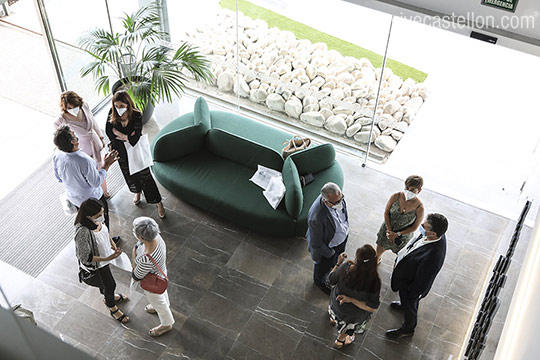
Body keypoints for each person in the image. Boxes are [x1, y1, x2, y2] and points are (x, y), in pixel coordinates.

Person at [386, 213, 448, 339]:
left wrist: (410, 293)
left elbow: (422, 282)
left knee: (410, 305)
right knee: (407, 302)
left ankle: (408, 328)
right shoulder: (433, 235)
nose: (420, 227)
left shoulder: (432, 257)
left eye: (423, 227)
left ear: (433, 234)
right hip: (408, 275)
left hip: (410, 285)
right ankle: (404, 305)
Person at [105, 90, 165, 218]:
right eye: (116, 106)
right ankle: (137, 191)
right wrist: (126, 136)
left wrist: (119, 134)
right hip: (121, 151)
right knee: (129, 174)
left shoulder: (136, 114)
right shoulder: (112, 113)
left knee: (146, 177)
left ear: (127, 104)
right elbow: (109, 132)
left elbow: (135, 138)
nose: (118, 108)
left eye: (121, 106)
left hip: (136, 151)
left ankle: (158, 203)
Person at [74, 198, 129, 323]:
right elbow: (84, 257)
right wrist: (107, 258)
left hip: (105, 259)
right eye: (98, 215)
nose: (102, 216)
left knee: (107, 284)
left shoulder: (96, 221)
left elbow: (105, 231)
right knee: (110, 285)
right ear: (88, 216)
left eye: (102, 212)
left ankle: (108, 296)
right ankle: (112, 306)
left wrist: (112, 245)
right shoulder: (82, 233)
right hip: (97, 264)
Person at [53, 125, 118, 228]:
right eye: (73, 134)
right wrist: (106, 165)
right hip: (93, 199)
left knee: (89, 223)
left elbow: (59, 178)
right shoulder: (83, 161)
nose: (76, 135)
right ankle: (106, 240)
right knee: (101, 222)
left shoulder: (57, 154)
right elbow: (96, 182)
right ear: (72, 142)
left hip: (75, 200)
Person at [55, 91, 109, 197]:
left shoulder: (84, 107)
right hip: (81, 148)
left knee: (100, 166)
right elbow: (61, 139)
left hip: (94, 141)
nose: (73, 109)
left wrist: (101, 137)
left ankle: (104, 191)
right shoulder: (61, 120)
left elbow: (93, 122)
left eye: (75, 106)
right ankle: (95, 193)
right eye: (69, 108)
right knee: (89, 172)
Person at [327, 244, 381, 349]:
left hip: (336, 304)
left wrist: (338, 264)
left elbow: (330, 280)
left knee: (335, 313)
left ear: (357, 260)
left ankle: (333, 319)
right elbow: (372, 307)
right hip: (353, 315)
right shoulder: (374, 282)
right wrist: (351, 300)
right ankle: (340, 340)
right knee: (347, 326)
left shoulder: (345, 268)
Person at [131, 216, 174, 337]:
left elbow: (137, 275)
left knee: (158, 302)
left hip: (153, 281)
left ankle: (166, 324)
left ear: (141, 237)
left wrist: (134, 256)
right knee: (162, 295)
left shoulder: (146, 259)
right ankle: (164, 305)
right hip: (161, 272)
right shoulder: (157, 237)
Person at [306, 182, 349, 294]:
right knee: (322, 268)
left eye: (341, 199)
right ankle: (320, 282)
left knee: (335, 262)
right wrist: (330, 253)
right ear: (326, 201)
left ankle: (334, 267)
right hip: (328, 248)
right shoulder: (316, 217)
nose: (340, 203)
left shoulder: (337, 198)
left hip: (341, 239)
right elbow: (316, 243)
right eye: (336, 202)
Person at [376, 175, 425, 261]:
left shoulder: (419, 208)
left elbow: (414, 227)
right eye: (407, 188)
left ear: (419, 190)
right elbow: (386, 212)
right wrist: (389, 231)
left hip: (403, 236)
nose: (408, 191)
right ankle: (377, 260)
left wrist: (397, 234)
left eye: (412, 189)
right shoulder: (395, 196)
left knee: (401, 256)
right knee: (379, 251)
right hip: (387, 230)